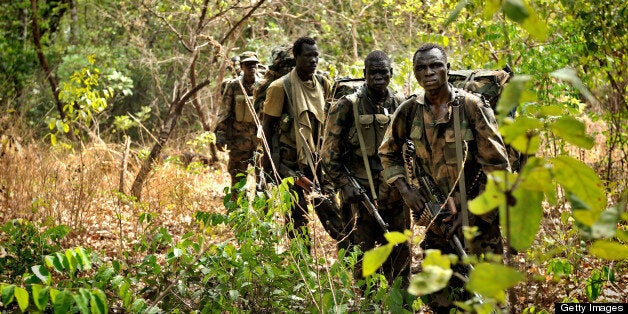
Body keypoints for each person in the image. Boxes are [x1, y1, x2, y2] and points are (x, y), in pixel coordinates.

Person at [378, 43, 511, 312]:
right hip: (437, 223)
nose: (429, 72)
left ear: (447, 69)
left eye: (435, 65)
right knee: (442, 300)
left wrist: (469, 213)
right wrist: (407, 191)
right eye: (421, 67)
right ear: (414, 73)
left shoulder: (471, 107)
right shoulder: (408, 111)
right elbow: (388, 153)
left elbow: (498, 168)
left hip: (479, 225)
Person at [321, 50, 411, 289]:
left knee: (400, 256)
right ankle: (369, 304)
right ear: (365, 75)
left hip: (395, 194)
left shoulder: (402, 104)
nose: (379, 77)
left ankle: (400, 303)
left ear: (391, 73)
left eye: (384, 72)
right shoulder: (347, 106)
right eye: (373, 72)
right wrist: (345, 185)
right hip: (360, 196)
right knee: (362, 260)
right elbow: (329, 155)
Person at [261, 36, 332, 249]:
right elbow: (267, 128)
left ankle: (351, 262)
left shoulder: (322, 83)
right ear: (296, 57)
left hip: (317, 159)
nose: (313, 60)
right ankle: (301, 265)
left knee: (330, 209)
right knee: (297, 217)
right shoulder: (280, 87)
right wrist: (269, 167)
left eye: (316, 55)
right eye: (308, 55)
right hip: (290, 163)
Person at [215, 51, 261, 187]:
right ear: (241, 66)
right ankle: (237, 207)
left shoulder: (263, 85)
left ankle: (264, 207)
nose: (251, 67)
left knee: (263, 180)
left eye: (254, 64)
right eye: (247, 64)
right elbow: (224, 111)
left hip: (259, 142)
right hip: (239, 141)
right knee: (237, 178)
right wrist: (220, 135)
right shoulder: (234, 86)